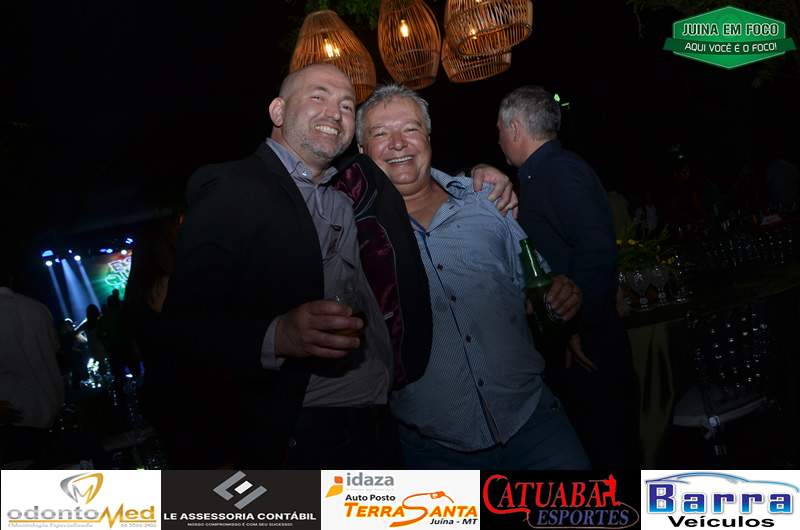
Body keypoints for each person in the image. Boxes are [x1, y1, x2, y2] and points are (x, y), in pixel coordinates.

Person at [160, 65, 514, 468]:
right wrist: (277, 335)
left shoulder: (349, 192)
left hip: (381, 427)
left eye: (346, 105)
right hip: (299, 436)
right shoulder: (233, 186)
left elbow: (414, 179)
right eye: (318, 97)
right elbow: (181, 331)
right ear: (278, 112)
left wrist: (478, 177)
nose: (335, 112)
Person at [357, 84, 589, 469]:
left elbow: (537, 287)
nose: (398, 143)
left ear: (428, 137)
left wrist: (562, 294)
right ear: (363, 151)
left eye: (410, 129)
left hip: (535, 426)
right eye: (381, 133)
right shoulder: (356, 236)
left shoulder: (486, 202)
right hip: (433, 451)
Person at [488, 85, 638, 468]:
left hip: (589, 343)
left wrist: (577, 322)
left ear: (515, 128)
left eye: (500, 131)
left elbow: (596, 251)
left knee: (610, 455)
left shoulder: (559, 170)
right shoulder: (540, 175)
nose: (499, 141)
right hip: (575, 338)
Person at [0, 265, 64, 465]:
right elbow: (55, 352)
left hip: (11, 423)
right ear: (10, 278)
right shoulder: (38, 308)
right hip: (52, 418)